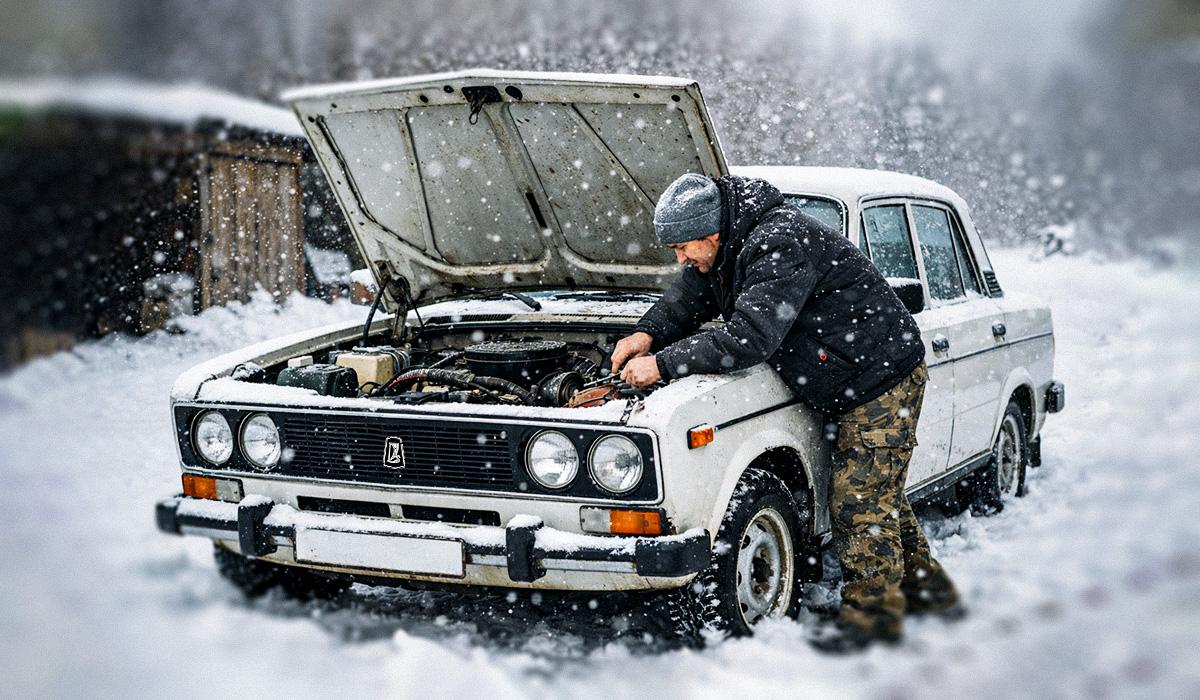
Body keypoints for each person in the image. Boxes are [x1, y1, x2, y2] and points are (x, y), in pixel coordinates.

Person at [610, 172, 960, 651]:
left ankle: (873, 624)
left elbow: (750, 337)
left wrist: (664, 364)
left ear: (712, 235)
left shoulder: (780, 243)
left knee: (859, 503)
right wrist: (646, 333)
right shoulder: (730, 245)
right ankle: (929, 591)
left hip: (879, 378)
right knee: (879, 496)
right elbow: (688, 296)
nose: (681, 259)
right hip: (843, 375)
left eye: (684, 247)